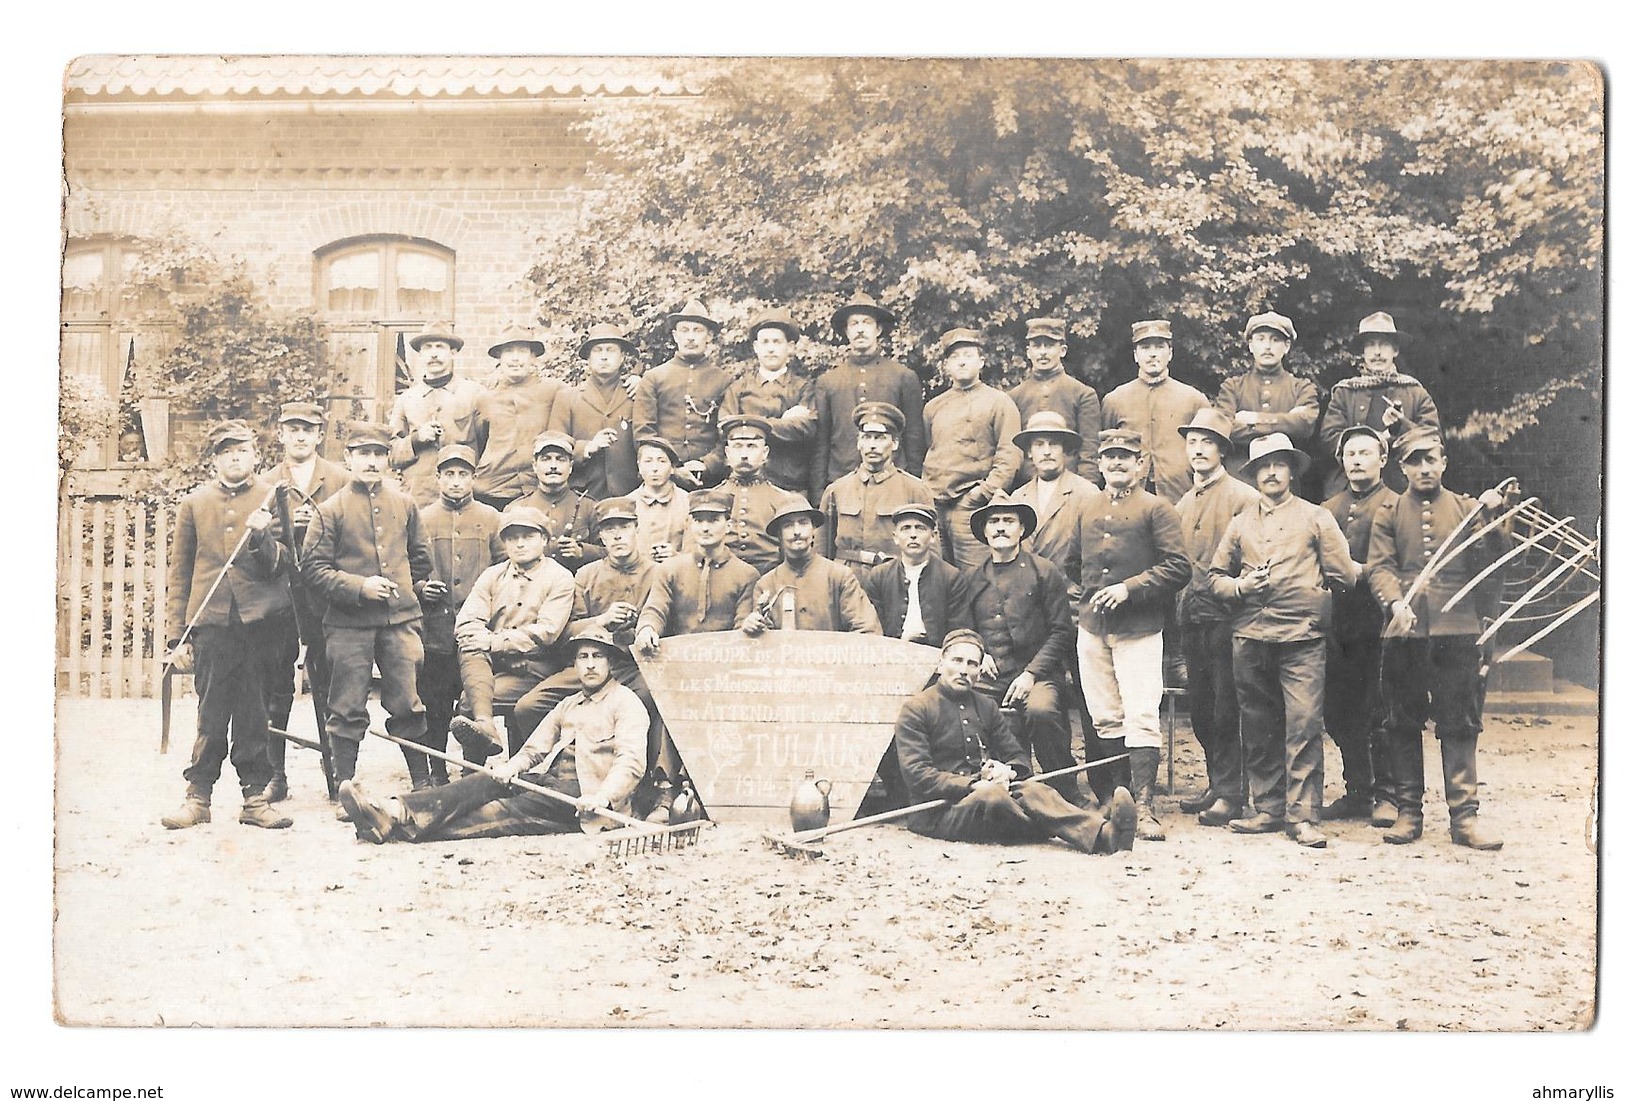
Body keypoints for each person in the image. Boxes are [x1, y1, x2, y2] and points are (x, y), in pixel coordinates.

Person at [337, 629, 648, 843]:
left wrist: (602, 797)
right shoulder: (569, 704)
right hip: (549, 783)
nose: (590, 664)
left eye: (598, 657)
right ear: (575, 664)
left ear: (611, 663)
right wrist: (511, 768)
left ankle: (392, 825)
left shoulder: (626, 703)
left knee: (498, 813)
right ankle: (395, 810)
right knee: (485, 781)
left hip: (583, 799)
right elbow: (534, 750)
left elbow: (631, 763)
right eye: (583, 657)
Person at [1208, 434, 1359, 848]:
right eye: (1263, 466)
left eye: (1279, 464)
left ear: (1292, 471)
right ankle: (1269, 809)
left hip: (1302, 639)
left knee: (1304, 724)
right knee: (1257, 725)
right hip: (1250, 638)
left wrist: (1310, 590)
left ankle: (1304, 816)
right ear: (1254, 474)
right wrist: (1240, 587)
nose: (1271, 472)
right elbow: (1214, 579)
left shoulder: (1317, 517)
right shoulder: (1239, 524)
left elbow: (1344, 575)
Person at [1366, 427, 1512, 850]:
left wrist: (1493, 516)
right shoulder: (1389, 512)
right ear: (1402, 467)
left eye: (1431, 459)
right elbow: (1380, 568)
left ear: (1444, 463)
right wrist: (1394, 603)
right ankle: (1409, 813)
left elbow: (1494, 562)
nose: (1424, 468)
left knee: (1460, 723)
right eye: (1415, 460)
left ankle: (1464, 819)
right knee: (1402, 721)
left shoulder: (1469, 509)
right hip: (1405, 632)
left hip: (1458, 629)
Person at [159, 420, 294, 831]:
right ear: (215, 459)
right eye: (226, 451)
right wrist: (174, 635)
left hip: (260, 623)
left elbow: (282, 563)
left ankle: (255, 800)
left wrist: (261, 537)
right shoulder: (194, 503)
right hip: (213, 622)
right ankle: (198, 797)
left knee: (255, 710)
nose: (235, 457)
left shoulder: (271, 497)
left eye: (242, 450)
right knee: (211, 709)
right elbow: (180, 572)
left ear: (256, 455)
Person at [893, 630, 1137, 854]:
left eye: (972, 664)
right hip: (940, 812)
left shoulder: (986, 706)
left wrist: (1007, 771)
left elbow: (1018, 758)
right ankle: (1062, 827)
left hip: (992, 797)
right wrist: (972, 785)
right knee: (993, 797)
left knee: (1036, 790)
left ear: (979, 671)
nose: (964, 670)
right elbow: (917, 774)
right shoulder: (916, 708)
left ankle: (1107, 835)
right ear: (940, 663)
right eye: (956, 661)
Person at [300, 422, 434, 803]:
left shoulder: (405, 505)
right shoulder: (330, 510)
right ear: (349, 459)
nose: (372, 462)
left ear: (388, 459)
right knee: (346, 704)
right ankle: (345, 785)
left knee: (408, 702)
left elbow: (420, 559)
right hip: (348, 624)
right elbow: (313, 570)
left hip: (399, 622)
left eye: (379, 454)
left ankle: (421, 783)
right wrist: (360, 587)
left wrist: (401, 592)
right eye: (363, 454)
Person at [1073, 429, 1192, 830]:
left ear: (1142, 464)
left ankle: (1144, 805)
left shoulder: (1157, 508)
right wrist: (1084, 599)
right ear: (1100, 464)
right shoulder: (1087, 507)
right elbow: (1076, 562)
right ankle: (1116, 799)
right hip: (1092, 628)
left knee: (1141, 715)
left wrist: (1129, 589)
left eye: (1126, 457)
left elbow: (1179, 567)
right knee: (1105, 715)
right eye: (1110, 457)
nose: (1117, 463)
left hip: (1139, 627)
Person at [1171, 408, 1258, 825]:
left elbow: (1256, 556)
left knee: (1227, 708)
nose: (1199, 449)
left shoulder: (1243, 496)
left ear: (1223, 449)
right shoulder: (1184, 501)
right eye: (1193, 442)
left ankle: (1232, 792)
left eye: (1208, 442)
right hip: (1191, 616)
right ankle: (1215, 783)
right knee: (1202, 707)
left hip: (1229, 616)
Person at [962, 496, 1080, 802]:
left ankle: (1063, 789)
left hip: (1037, 673)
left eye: (1008, 521)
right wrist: (979, 651)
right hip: (990, 675)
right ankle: (1001, 788)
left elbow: (1061, 631)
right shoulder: (973, 577)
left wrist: (1031, 674)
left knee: (1041, 710)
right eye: (994, 522)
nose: (1001, 528)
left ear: (1021, 529)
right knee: (966, 711)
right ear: (984, 532)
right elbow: (964, 628)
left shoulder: (1044, 571)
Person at [262, 400, 348, 803]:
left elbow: (350, 535)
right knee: (276, 683)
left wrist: (313, 526)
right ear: (280, 434)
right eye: (292, 428)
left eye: (308, 429)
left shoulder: (340, 479)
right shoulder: (265, 482)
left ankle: (336, 771)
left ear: (319, 435)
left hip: (323, 595)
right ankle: (273, 774)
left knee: (329, 682)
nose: (299, 436)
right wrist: (284, 527)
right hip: (278, 594)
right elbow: (254, 541)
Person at [440, 507, 576, 763]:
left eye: (528, 536)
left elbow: (547, 631)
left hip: (537, 665)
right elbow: (467, 622)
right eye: (513, 538)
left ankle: (489, 759)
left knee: (470, 701)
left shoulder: (559, 577)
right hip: (495, 663)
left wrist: (495, 642)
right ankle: (479, 749)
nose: (520, 544)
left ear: (544, 540)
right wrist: (492, 647)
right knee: (469, 646)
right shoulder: (493, 575)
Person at [1320, 425, 1403, 824]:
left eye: (1365, 453)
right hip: (1336, 622)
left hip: (1380, 621)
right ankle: (1357, 791)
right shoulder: (1328, 508)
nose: (1356, 461)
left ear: (1383, 460)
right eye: (1350, 454)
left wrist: (1361, 570)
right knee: (1338, 709)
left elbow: (1406, 568)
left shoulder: (1397, 505)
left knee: (1378, 708)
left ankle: (1388, 795)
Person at [415, 445, 506, 786]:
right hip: (434, 629)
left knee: (473, 700)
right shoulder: (422, 518)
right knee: (434, 704)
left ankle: (473, 770)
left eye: (463, 474)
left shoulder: (491, 518)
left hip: (476, 631)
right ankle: (436, 770)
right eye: (449, 474)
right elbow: (406, 567)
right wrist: (421, 586)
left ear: (474, 478)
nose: (456, 482)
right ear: (437, 478)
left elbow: (504, 570)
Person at [922, 327, 1022, 571]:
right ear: (946, 366)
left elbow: (1010, 454)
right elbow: (929, 450)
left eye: (968, 354)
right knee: (937, 578)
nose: (962, 361)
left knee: (977, 577)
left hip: (971, 506)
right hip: (935, 505)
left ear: (981, 361)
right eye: (954, 357)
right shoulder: (934, 407)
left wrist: (983, 494)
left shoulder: (999, 402)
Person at [810, 291, 926, 500]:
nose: (860, 329)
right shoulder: (828, 382)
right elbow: (821, 443)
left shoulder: (903, 377)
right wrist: (819, 493)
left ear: (878, 329)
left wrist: (914, 485)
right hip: (841, 481)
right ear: (846, 331)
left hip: (893, 484)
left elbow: (914, 439)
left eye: (866, 323)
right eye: (854, 324)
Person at [1319, 311, 1441, 497]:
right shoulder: (1345, 392)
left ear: (1395, 351)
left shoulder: (1415, 391)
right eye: (1371, 345)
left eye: (1384, 345)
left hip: (1401, 488)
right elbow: (1329, 438)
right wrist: (1369, 444)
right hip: (1351, 487)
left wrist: (1402, 426)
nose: (1377, 352)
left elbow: (1434, 439)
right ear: (1363, 352)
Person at [1100, 319, 1209, 503]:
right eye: (1145, 348)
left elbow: (1208, 451)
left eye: (1159, 347)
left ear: (1170, 353)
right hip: (1129, 499)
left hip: (1180, 496)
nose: (1152, 354)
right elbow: (1104, 450)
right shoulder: (1115, 400)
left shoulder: (1194, 399)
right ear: (1135, 355)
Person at [636, 489, 761, 649]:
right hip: (678, 660)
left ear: (728, 525)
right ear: (690, 524)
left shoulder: (746, 574)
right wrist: (647, 629)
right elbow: (655, 608)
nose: (705, 528)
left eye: (713, 520)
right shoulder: (670, 569)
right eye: (698, 520)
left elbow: (743, 627)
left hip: (727, 659)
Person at [742, 497, 882, 635]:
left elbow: (867, 630)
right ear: (779, 534)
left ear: (814, 530)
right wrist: (753, 627)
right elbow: (762, 644)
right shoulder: (766, 584)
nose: (797, 531)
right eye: (788, 525)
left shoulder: (839, 576)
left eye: (803, 523)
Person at [819, 401, 933, 571]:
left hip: (894, 577)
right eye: (866, 437)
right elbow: (821, 549)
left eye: (879, 438)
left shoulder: (915, 489)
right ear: (858, 443)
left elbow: (931, 550)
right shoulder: (836, 490)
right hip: (847, 577)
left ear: (894, 444)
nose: (872, 445)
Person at [633, 298, 732, 489]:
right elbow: (644, 433)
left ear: (709, 336)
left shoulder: (724, 381)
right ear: (675, 336)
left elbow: (728, 436)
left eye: (698, 330)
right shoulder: (654, 377)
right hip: (663, 480)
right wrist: (673, 469)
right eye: (685, 330)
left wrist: (707, 464)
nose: (691, 337)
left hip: (710, 481)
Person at [719, 307, 817, 495]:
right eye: (765, 342)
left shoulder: (803, 388)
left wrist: (749, 423)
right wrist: (783, 421)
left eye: (777, 342)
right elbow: (725, 426)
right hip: (745, 484)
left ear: (790, 347)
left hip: (790, 486)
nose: (770, 348)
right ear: (756, 347)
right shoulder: (739, 388)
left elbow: (806, 428)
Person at [469, 322, 566, 509]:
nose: (515, 358)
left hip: (537, 490)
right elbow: (477, 441)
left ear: (533, 358)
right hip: (493, 490)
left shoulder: (553, 390)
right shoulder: (484, 398)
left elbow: (582, 398)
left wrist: (634, 382)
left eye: (521, 351)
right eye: (509, 351)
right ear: (499, 358)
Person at [1213, 312, 1320, 479]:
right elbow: (1223, 428)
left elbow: (1304, 426)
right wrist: (1285, 422)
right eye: (1261, 339)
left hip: (1284, 480)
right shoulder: (1232, 387)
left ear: (1286, 346)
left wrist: (1254, 418)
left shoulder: (1301, 387)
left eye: (1275, 340)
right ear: (1250, 345)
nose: (1267, 346)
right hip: (1240, 480)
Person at [388, 320, 481, 506]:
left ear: (453, 352)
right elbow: (390, 455)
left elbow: (488, 447)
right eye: (428, 347)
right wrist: (416, 439)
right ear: (420, 354)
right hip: (419, 497)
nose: (434, 354)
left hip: (464, 498)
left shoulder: (475, 394)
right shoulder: (407, 399)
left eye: (440, 347)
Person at [550, 322, 640, 499]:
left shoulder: (635, 393)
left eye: (611, 350)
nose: (604, 357)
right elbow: (555, 445)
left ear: (622, 357)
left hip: (629, 494)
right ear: (588, 358)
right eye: (598, 350)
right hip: (582, 495)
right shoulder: (567, 397)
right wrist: (587, 447)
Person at [1007, 317, 1102, 486]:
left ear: (1063, 350)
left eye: (1050, 345)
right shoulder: (1014, 397)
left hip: (1071, 487)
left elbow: (1090, 451)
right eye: (1037, 346)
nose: (1043, 352)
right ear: (1029, 352)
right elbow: (1011, 451)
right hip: (1026, 488)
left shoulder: (1083, 394)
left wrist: (1087, 491)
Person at [863, 504, 971, 647]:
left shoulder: (950, 577)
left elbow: (958, 630)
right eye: (906, 528)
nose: (913, 535)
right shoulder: (879, 576)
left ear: (933, 536)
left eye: (920, 528)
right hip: (891, 654)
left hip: (935, 655)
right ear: (895, 538)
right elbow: (872, 627)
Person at [505, 431, 604, 573]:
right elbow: (503, 558)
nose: (553, 466)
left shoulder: (590, 507)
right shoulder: (516, 508)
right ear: (534, 465)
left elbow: (610, 554)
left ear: (570, 466)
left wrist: (582, 552)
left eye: (560, 459)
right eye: (546, 459)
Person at [715, 415, 801, 573]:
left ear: (765, 452)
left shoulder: (783, 500)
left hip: (768, 579)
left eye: (752, 446)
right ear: (727, 452)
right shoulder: (714, 497)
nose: (744, 454)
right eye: (738, 446)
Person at [629, 436, 689, 563]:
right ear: (639, 466)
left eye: (661, 461)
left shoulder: (687, 502)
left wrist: (677, 556)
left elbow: (697, 552)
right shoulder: (627, 503)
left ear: (672, 467)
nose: (654, 468)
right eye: (648, 461)